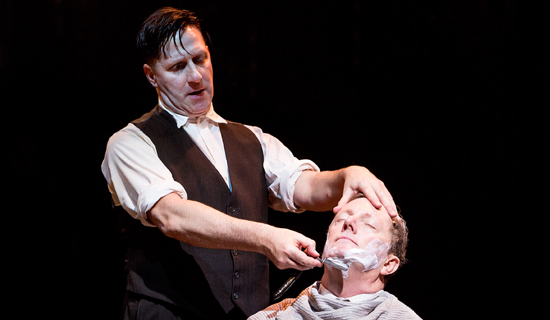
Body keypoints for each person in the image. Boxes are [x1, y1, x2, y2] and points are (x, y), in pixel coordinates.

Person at [101, 7, 397, 320]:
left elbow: (304, 186)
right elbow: (172, 215)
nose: (195, 76)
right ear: (151, 76)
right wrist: (266, 237)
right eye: (178, 67)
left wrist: (347, 176)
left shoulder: (251, 139)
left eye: (200, 59)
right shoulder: (130, 142)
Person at [248, 193, 422, 320]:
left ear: (388, 264)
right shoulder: (272, 316)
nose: (348, 222)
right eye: (340, 219)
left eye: (369, 224)